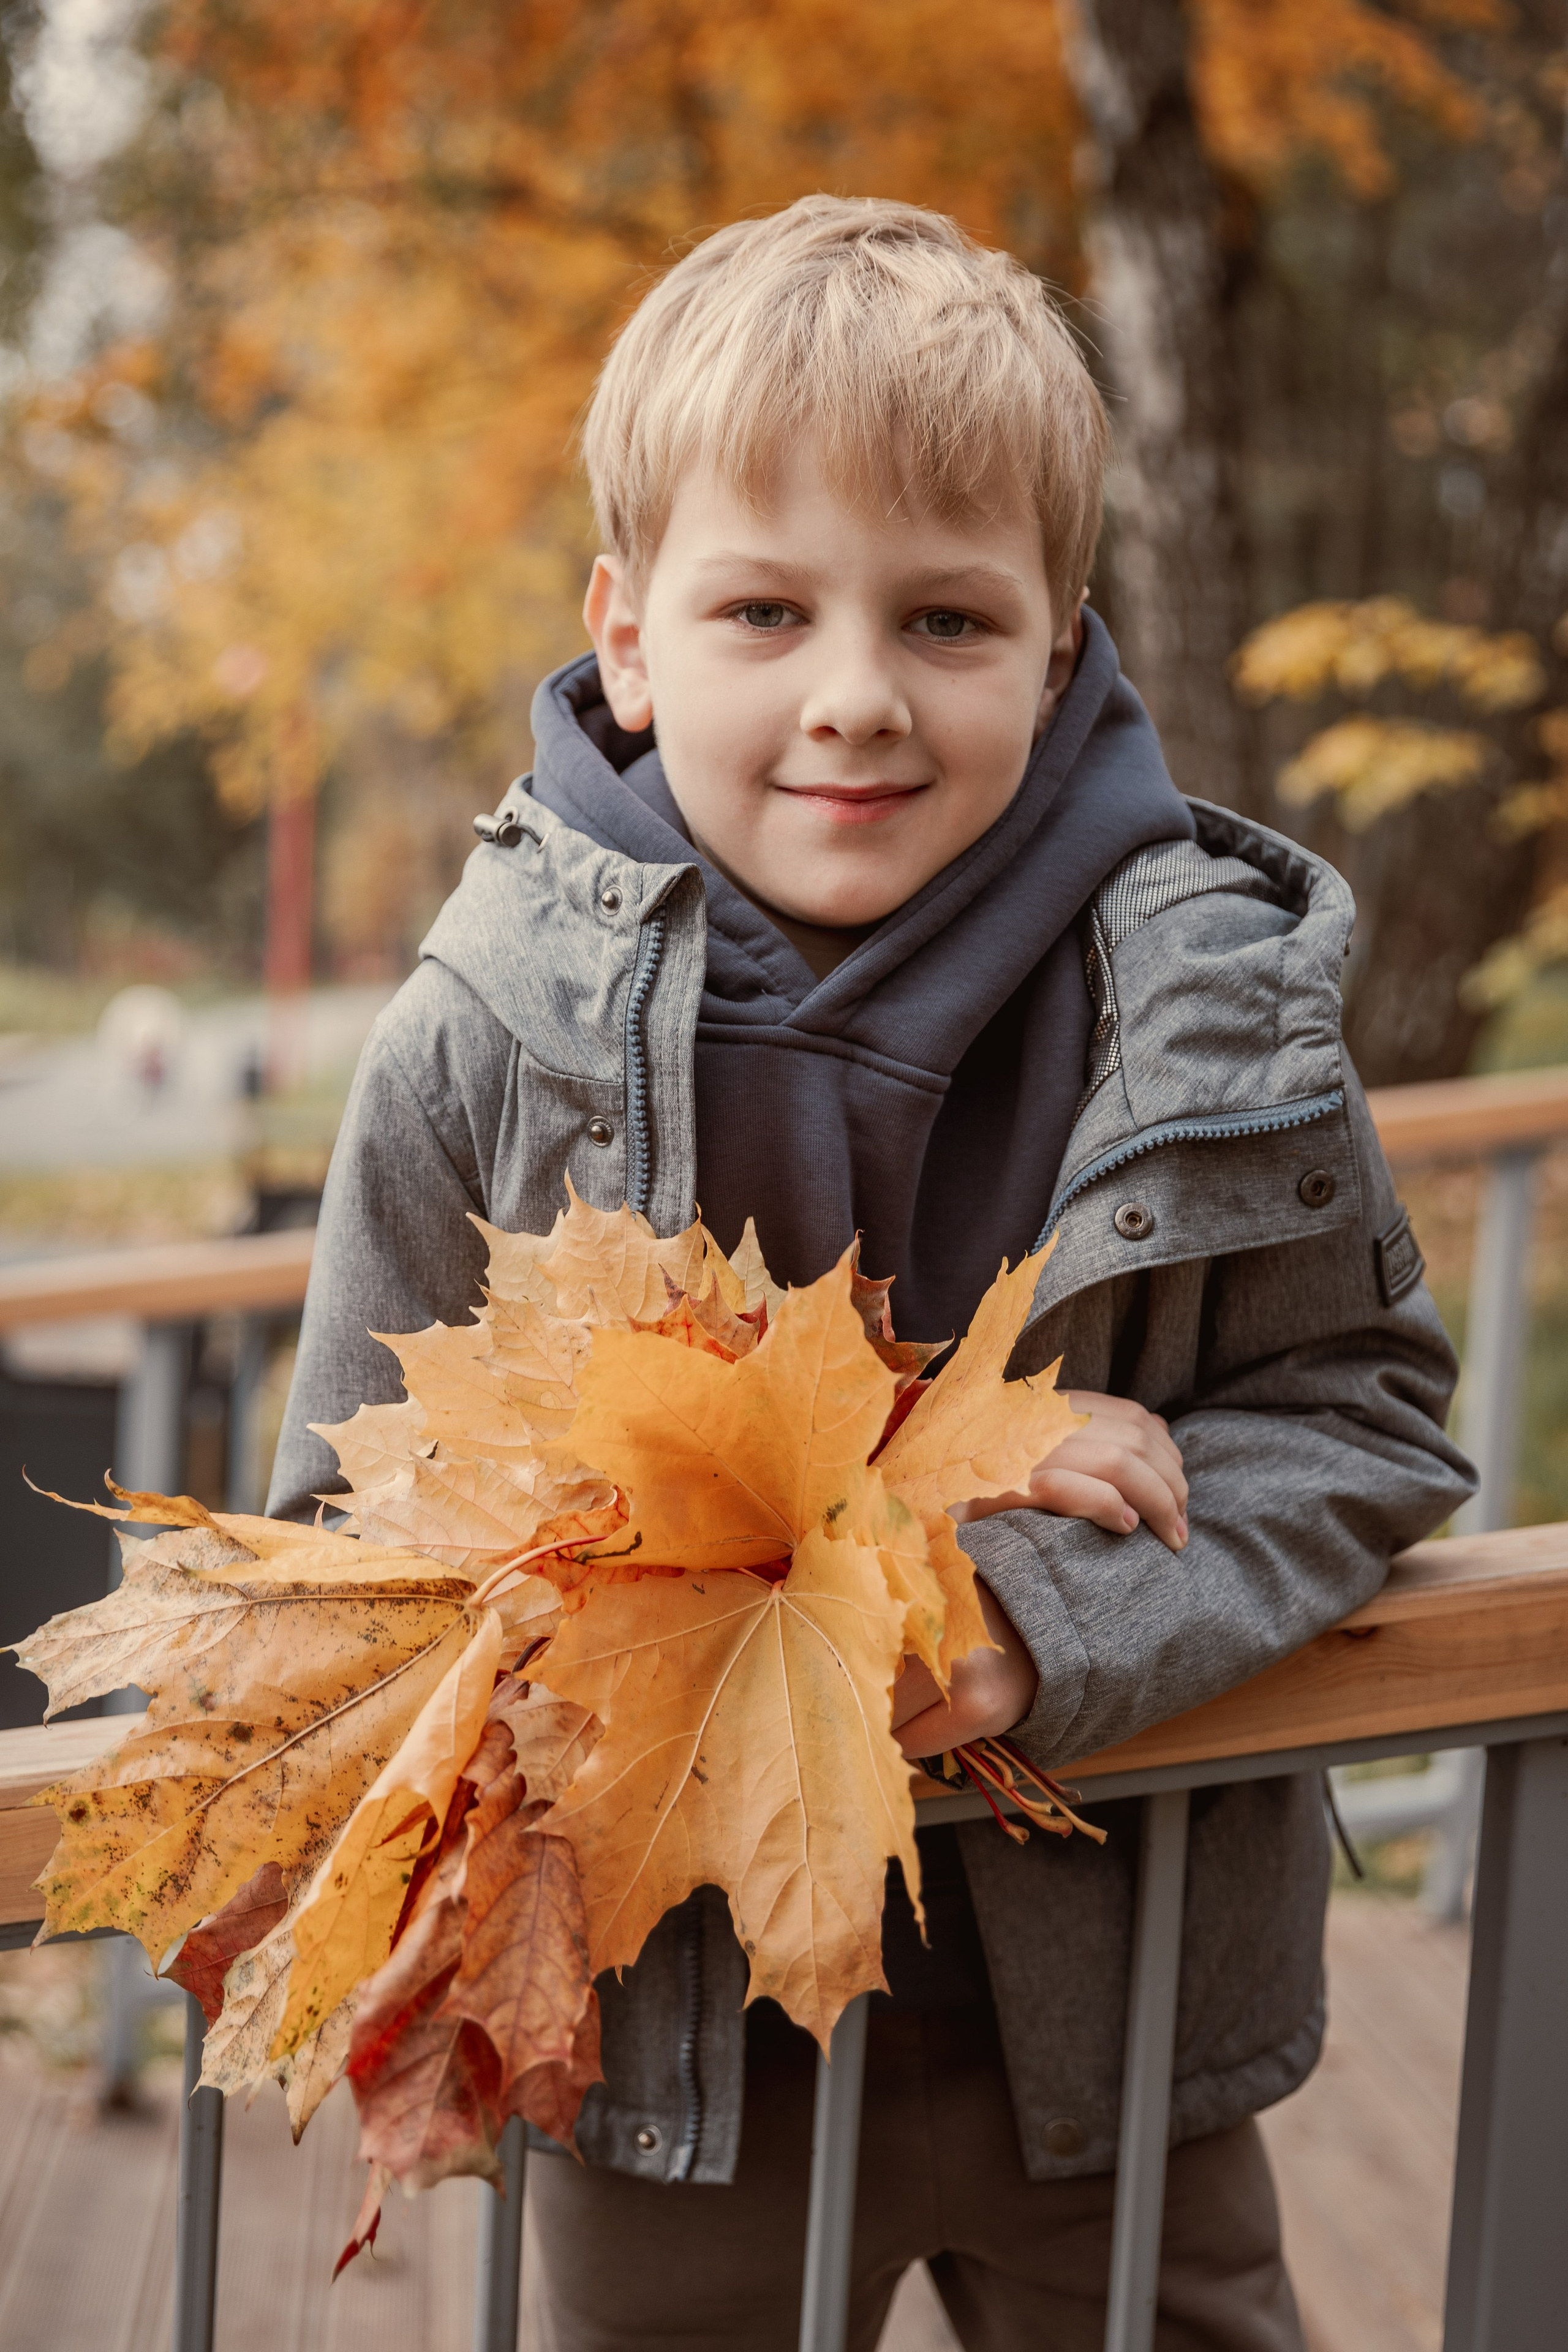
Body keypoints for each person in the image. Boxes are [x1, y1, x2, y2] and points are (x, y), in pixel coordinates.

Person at [268, 197, 1472, 2351]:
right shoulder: (482, 1035)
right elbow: (344, 1562)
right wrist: (907, 1509)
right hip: (677, 2047)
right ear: (629, 639)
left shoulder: (1206, 1006)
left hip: (1111, 2015)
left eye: (943, 620)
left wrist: (1047, 1622)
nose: (853, 701)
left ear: (1059, 638)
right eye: (763, 611)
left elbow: (1357, 1412)